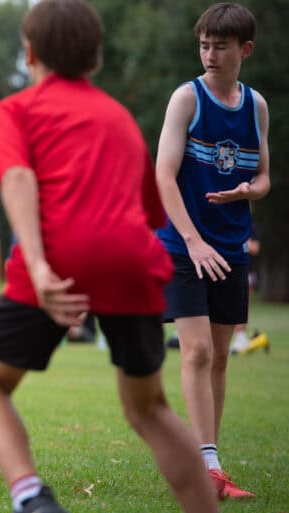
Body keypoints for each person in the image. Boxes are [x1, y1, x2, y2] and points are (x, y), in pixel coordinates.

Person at [0, 2, 218, 513]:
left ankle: (32, 497)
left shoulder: (14, 111)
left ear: (29, 53)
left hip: (58, 257)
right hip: (133, 260)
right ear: (96, 58)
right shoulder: (119, 118)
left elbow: (16, 177)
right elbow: (145, 210)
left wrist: (37, 266)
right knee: (149, 409)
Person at [155, 2, 269, 499]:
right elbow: (162, 175)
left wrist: (250, 192)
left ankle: (210, 458)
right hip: (184, 245)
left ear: (244, 50)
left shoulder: (255, 107)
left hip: (229, 249)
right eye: (204, 45)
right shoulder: (186, 99)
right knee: (197, 350)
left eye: (220, 46)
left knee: (220, 356)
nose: (209, 54)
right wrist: (193, 241)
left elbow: (264, 175)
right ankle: (208, 470)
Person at [229, 226, 268, 354]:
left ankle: (241, 337)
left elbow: (255, 248)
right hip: (227, 268)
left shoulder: (249, 226)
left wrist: (237, 240)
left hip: (245, 271)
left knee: (241, 304)